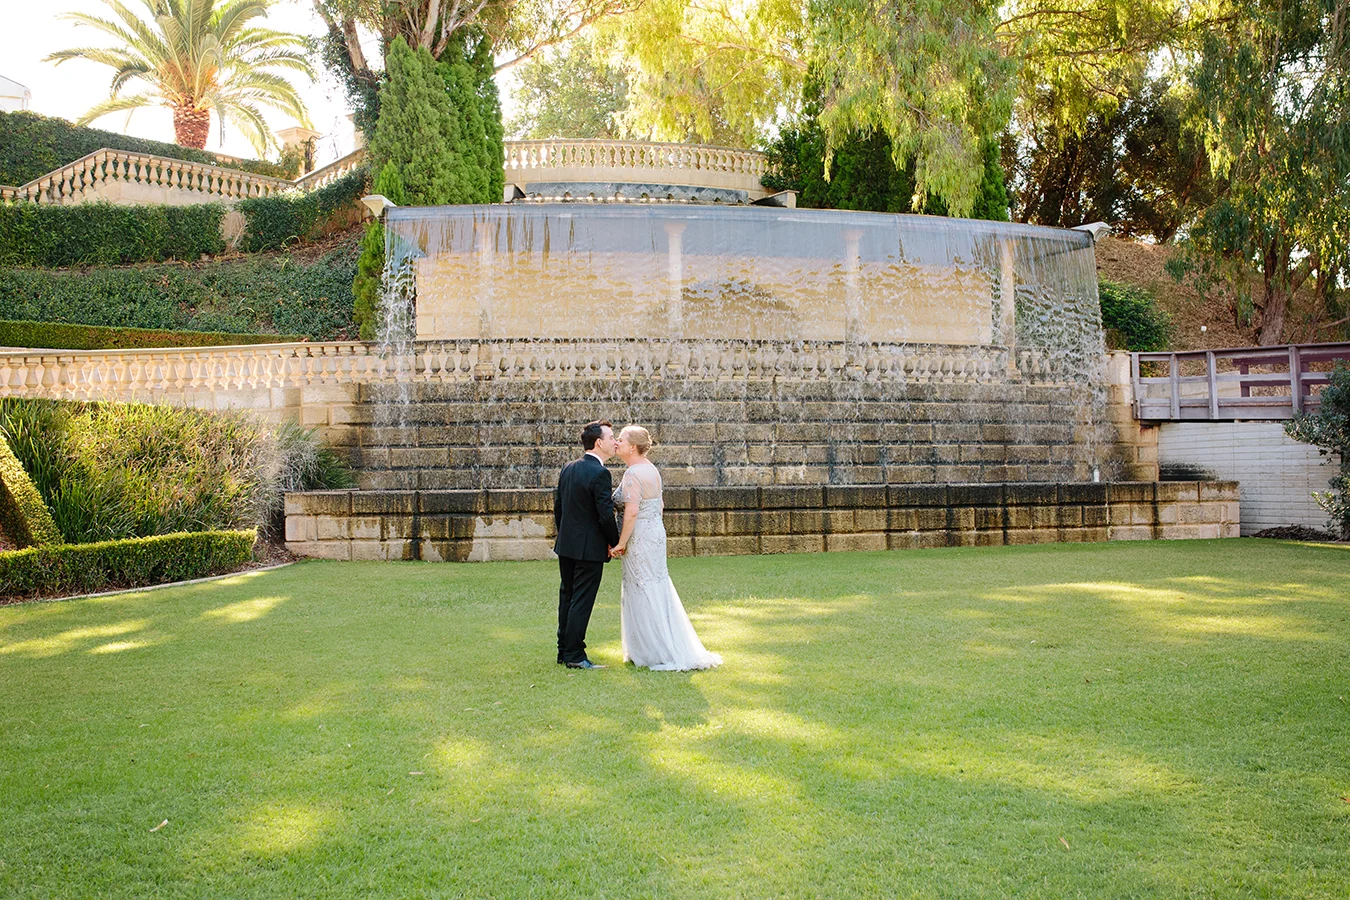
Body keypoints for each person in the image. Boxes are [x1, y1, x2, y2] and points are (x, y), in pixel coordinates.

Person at [609, 425, 722, 671]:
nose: (616, 442)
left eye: (621, 439)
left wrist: (621, 542)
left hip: (639, 535)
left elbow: (632, 512)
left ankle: (653, 650)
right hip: (655, 533)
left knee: (642, 586)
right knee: (656, 584)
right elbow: (659, 506)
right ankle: (656, 646)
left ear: (632, 447)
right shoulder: (652, 470)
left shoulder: (633, 474)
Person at [553, 420, 621, 670]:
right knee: (581, 600)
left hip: (566, 545)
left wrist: (565, 535)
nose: (615, 442)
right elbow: (605, 515)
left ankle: (564, 650)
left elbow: (559, 508)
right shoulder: (600, 473)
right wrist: (615, 542)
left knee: (568, 597)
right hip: (589, 548)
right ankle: (575, 655)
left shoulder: (568, 468)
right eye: (611, 437)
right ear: (599, 443)